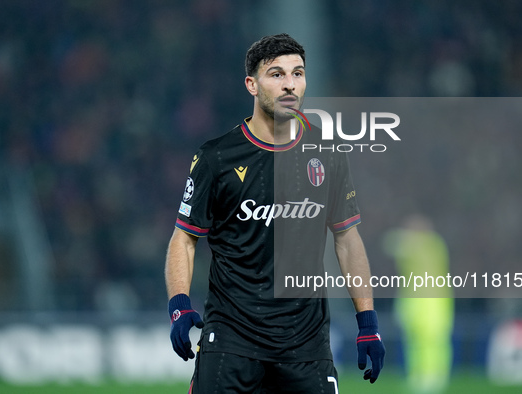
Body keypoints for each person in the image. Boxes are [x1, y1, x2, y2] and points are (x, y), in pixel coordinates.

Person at [165, 33, 385, 393]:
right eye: (277, 74)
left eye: (297, 74)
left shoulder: (327, 153)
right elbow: (185, 237)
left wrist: (368, 320)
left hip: (306, 343)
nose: (289, 85)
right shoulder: (216, 157)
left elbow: (347, 239)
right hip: (232, 340)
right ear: (252, 84)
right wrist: (178, 304)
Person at [383, 214, 454, 394]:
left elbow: (394, 244)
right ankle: (418, 375)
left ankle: (435, 376)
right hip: (413, 299)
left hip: (434, 300)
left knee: (433, 339)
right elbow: (389, 244)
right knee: (413, 341)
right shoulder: (412, 245)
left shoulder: (433, 244)